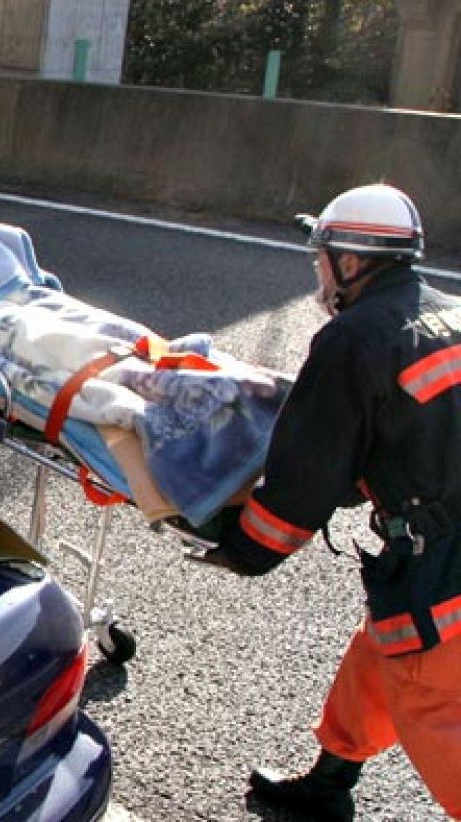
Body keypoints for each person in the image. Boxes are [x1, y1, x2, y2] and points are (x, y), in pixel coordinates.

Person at [193, 183, 461, 820]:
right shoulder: (451, 311)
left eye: (322, 256)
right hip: (442, 536)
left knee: (429, 695)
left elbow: (305, 480)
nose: (316, 270)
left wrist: (246, 548)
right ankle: (329, 781)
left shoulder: (355, 339)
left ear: (351, 262)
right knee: (377, 651)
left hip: (444, 571)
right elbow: (399, 429)